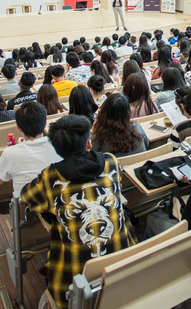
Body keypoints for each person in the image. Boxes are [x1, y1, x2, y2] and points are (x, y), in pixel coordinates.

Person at [21, 114, 136, 308]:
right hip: (123, 265)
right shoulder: (111, 161)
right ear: (88, 144)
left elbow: (27, 197)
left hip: (74, 281)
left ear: (57, 150)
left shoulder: (51, 176)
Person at [0, 101, 62, 192]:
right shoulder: (59, 144)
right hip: (57, 199)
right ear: (45, 124)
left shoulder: (9, 153)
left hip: (27, 204)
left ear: (19, 128)